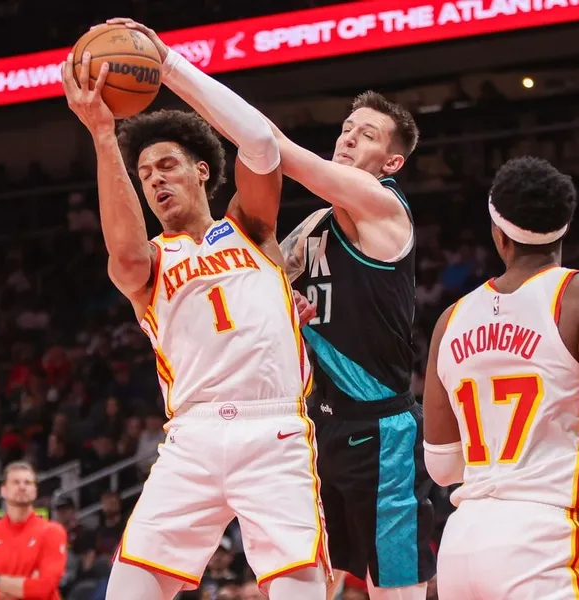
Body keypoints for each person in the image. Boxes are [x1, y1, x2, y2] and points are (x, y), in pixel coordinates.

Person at [110, 18, 432, 600]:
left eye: (366, 135)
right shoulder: (309, 228)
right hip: (316, 423)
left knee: (394, 590)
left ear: (391, 163)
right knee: (320, 581)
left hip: (376, 423)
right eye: (347, 128)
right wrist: (287, 310)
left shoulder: (382, 206)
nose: (348, 139)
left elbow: (268, 145)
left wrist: (169, 66)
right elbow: (254, 299)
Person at [60, 24, 328, 600]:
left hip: (273, 427)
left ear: (202, 170)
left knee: (299, 589)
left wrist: (170, 67)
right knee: (126, 591)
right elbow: (125, 255)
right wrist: (104, 135)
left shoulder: (250, 229)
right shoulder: (151, 262)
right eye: (145, 174)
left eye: (167, 165)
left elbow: (260, 144)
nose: (155, 179)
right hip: (192, 435)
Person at [422, 156, 579, 599]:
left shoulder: (450, 319)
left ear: (498, 234)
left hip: (462, 545)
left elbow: (442, 468)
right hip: (544, 539)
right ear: (564, 227)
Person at [0, 462, 67, 600]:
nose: (22, 487)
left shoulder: (53, 532)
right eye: (16, 482)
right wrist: (26, 588)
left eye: (28, 482)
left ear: (35, 491)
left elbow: (44, 588)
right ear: (3, 490)